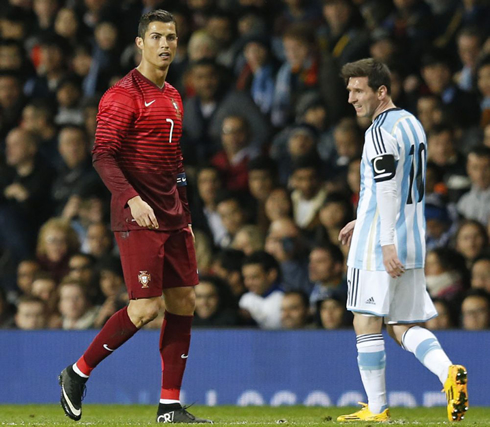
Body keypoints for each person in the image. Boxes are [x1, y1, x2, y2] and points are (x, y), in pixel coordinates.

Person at [58, 10, 211, 424]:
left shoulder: (175, 96)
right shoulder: (123, 94)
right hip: (137, 216)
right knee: (145, 308)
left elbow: (175, 161)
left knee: (184, 300)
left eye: (172, 38)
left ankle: (169, 406)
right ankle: (76, 373)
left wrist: (187, 213)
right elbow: (102, 154)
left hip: (173, 215)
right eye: (157, 37)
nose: (166, 45)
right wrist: (130, 199)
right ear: (140, 42)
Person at [337, 58, 468, 423]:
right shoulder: (412, 123)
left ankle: (377, 410)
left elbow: (388, 187)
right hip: (414, 239)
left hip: (381, 245)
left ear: (381, 91)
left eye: (358, 90)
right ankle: (448, 373)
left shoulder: (378, 132)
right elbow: (403, 183)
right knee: (401, 325)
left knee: (365, 321)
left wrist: (383, 240)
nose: (351, 98)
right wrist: (361, 217)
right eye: (349, 91)